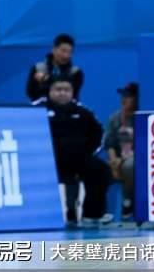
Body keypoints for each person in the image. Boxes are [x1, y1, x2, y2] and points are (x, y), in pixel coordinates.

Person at [36, 76, 111, 226]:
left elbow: (98, 134)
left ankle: (92, 215)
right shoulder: (37, 109)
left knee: (100, 169)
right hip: (46, 160)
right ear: (50, 91)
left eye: (66, 90)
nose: (62, 93)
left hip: (77, 160)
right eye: (58, 89)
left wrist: (86, 152)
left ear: (72, 92)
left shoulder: (83, 112)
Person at [103, 82, 138, 218]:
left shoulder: (143, 116)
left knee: (130, 166)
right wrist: (113, 161)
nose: (124, 99)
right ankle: (101, 213)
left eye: (128, 96)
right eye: (123, 96)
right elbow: (109, 142)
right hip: (117, 160)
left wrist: (122, 160)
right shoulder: (115, 118)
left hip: (136, 159)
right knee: (98, 169)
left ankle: (127, 202)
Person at [26, 33, 84, 102]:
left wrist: (46, 79)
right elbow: (31, 93)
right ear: (54, 49)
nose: (66, 56)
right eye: (63, 51)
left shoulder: (76, 72)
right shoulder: (38, 68)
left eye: (70, 52)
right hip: (43, 107)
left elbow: (71, 93)